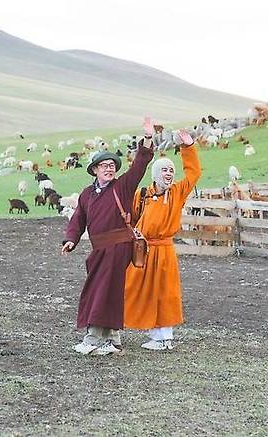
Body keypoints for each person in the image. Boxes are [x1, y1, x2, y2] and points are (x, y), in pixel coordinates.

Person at [61, 119, 155, 356]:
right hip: (99, 250)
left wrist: (147, 140)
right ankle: (112, 340)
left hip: (118, 246)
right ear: (94, 170)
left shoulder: (122, 186)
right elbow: (78, 219)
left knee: (99, 291)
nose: (109, 168)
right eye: (104, 165)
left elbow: (139, 166)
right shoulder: (87, 194)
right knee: (108, 290)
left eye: (112, 165)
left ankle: (93, 339)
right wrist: (70, 240)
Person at [123, 128, 201, 350]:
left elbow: (193, 174)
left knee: (165, 293)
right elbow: (133, 218)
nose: (169, 174)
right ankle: (150, 332)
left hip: (165, 250)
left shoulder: (177, 192)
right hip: (143, 250)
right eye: (164, 170)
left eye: (171, 170)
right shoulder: (143, 194)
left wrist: (188, 148)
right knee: (136, 288)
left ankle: (165, 338)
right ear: (156, 174)